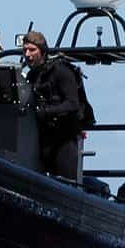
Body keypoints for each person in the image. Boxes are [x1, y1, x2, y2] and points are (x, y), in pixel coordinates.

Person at [22, 29, 85, 181]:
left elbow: (73, 103)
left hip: (64, 141)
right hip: (43, 140)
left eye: (32, 50)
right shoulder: (32, 76)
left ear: (43, 52)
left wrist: (46, 111)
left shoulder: (61, 71)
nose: (28, 55)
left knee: (65, 184)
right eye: (25, 50)